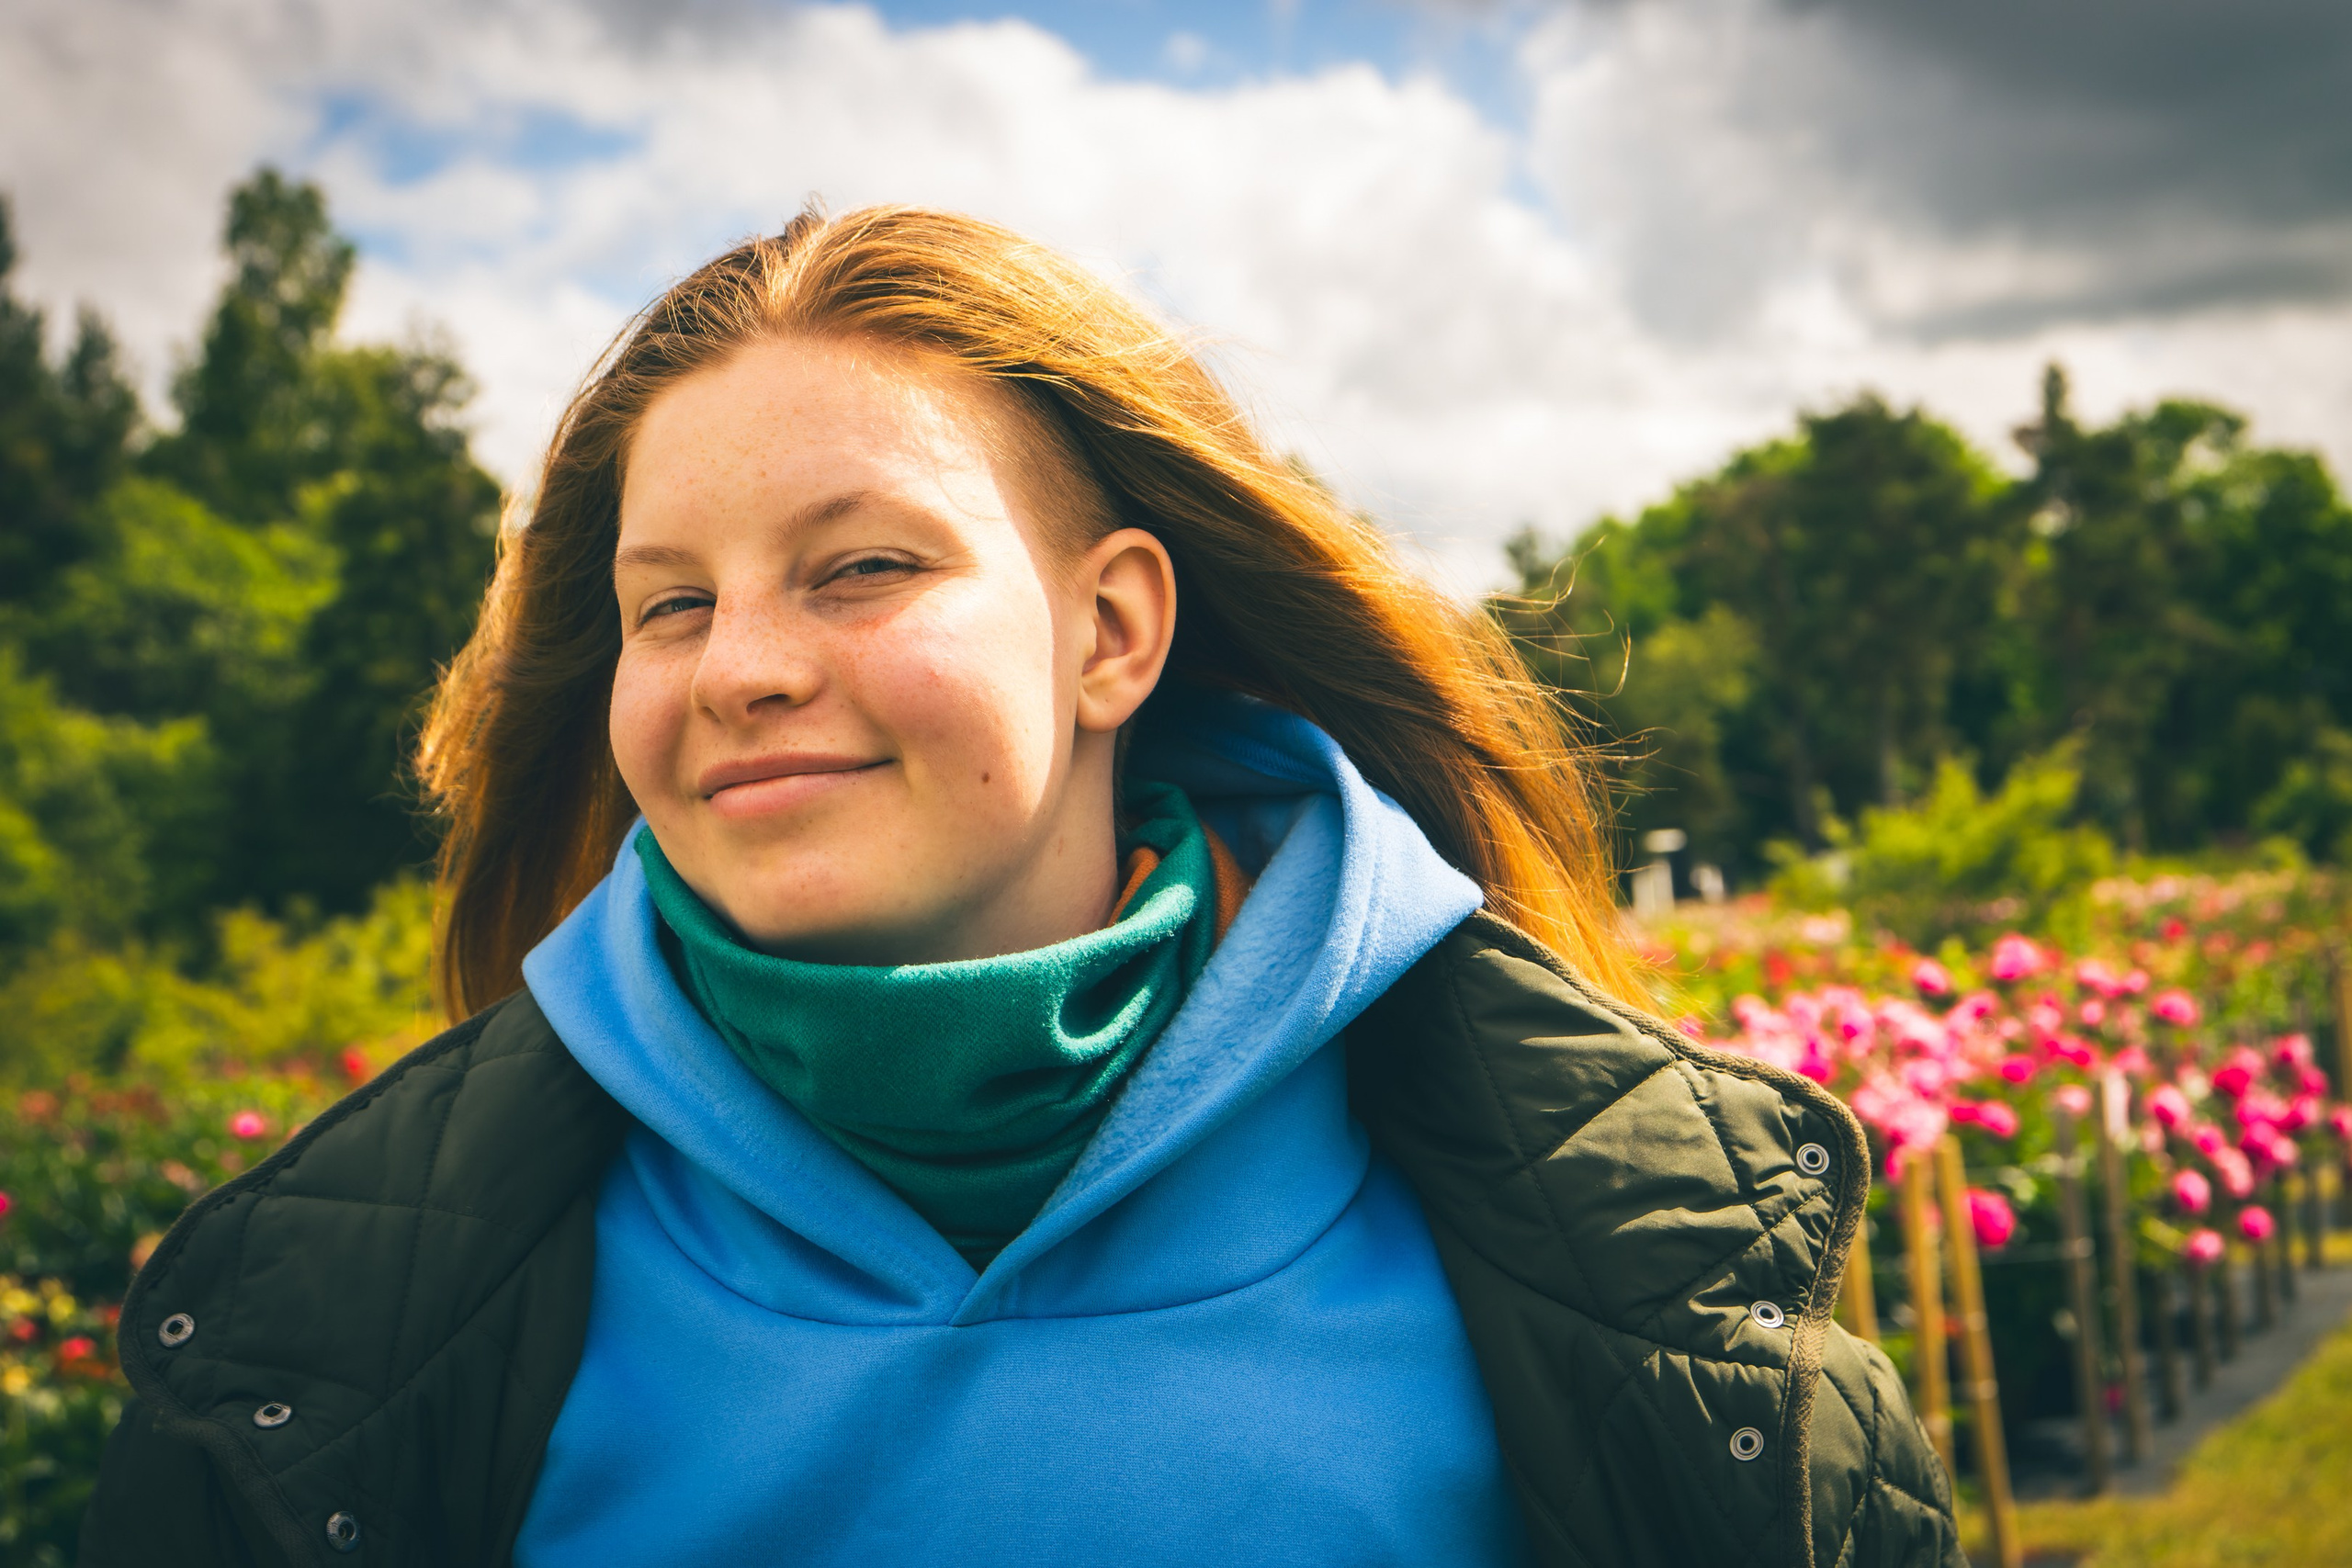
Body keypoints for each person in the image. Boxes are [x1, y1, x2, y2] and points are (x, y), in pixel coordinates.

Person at [80, 207, 1958, 1568]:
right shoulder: (313, 1326)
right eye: (673, 602)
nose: (735, 664)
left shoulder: (1639, 1281)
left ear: (1110, 630)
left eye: (859, 565)